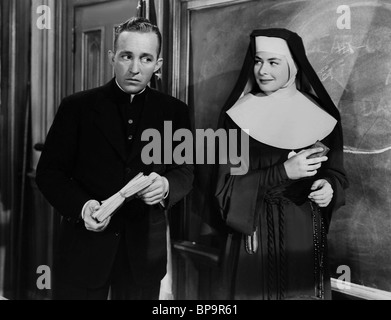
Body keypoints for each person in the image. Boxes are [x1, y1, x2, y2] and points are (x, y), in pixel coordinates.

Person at [36, 17, 194, 300]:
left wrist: (167, 186)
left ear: (158, 64)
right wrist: (82, 207)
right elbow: (49, 173)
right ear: (112, 57)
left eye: (146, 58)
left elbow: (185, 171)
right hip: (84, 249)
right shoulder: (76, 108)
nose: (135, 68)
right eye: (126, 56)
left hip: (144, 253)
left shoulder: (175, 111)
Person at [215, 28, 348, 300]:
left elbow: (336, 172)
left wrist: (329, 187)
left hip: (304, 236)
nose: (262, 70)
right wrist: (282, 172)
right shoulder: (236, 118)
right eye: (258, 60)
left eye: (273, 62)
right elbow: (226, 188)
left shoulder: (322, 115)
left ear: (294, 66)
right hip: (253, 234)